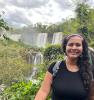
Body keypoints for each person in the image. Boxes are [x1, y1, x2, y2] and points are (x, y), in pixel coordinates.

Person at [34, 34, 93, 100]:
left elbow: (92, 96)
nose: (74, 47)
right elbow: (43, 91)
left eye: (78, 45)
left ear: (83, 48)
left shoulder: (90, 69)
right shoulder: (55, 67)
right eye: (70, 44)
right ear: (65, 47)